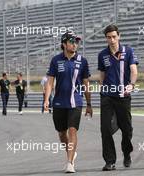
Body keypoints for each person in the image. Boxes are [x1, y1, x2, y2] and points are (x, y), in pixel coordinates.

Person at [44, 31, 93, 173]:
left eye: (76, 41)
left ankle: (70, 162)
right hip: (59, 102)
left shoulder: (82, 61)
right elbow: (50, 81)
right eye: (72, 41)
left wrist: (89, 104)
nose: (75, 44)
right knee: (61, 133)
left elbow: (86, 84)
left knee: (72, 130)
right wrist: (47, 99)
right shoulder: (55, 60)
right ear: (64, 44)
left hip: (76, 102)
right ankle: (71, 152)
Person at [98, 24, 138, 171]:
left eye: (114, 36)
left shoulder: (128, 51)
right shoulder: (102, 54)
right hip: (107, 96)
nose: (112, 40)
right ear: (106, 39)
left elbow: (134, 70)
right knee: (105, 129)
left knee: (127, 129)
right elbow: (102, 74)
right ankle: (110, 161)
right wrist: (102, 89)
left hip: (123, 96)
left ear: (119, 36)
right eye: (109, 37)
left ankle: (127, 153)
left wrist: (131, 85)